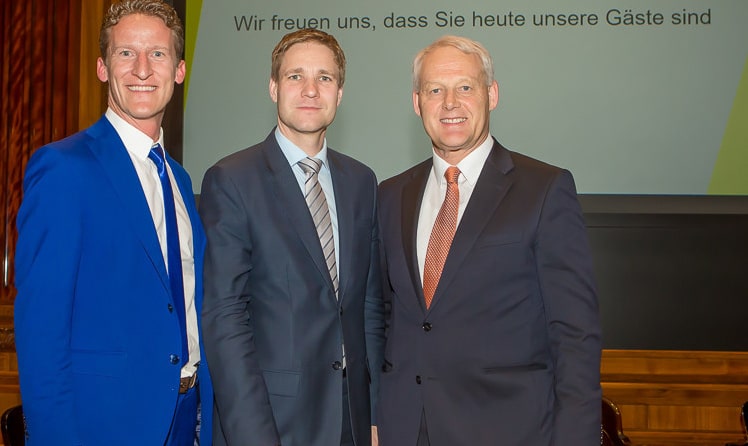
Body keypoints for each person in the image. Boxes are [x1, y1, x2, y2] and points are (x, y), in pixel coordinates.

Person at [376, 35, 602, 445]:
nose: (450, 103)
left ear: (492, 95)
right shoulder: (391, 195)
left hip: (508, 430)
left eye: (465, 87)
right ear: (417, 103)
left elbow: (575, 333)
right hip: (405, 429)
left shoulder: (544, 189)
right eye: (435, 90)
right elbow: (386, 318)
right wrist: (375, 418)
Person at [13, 1, 213, 444]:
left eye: (157, 54)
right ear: (102, 68)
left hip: (186, 418)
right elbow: (41, 331)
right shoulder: (64, 169)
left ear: (179, 70)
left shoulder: (180, 179)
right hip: (107, 424)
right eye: (126, 53)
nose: (142, 69)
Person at [199, 28, 384, 446]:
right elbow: (225, 318)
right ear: (273, 87)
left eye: (324, 78)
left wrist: (374, 415)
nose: (310, 90)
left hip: (351, 421)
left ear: (340, 93)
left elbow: (369, 309)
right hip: (273, 423)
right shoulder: (232, 180)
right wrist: (253, 436)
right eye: (295, 76)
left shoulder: (362, 182)